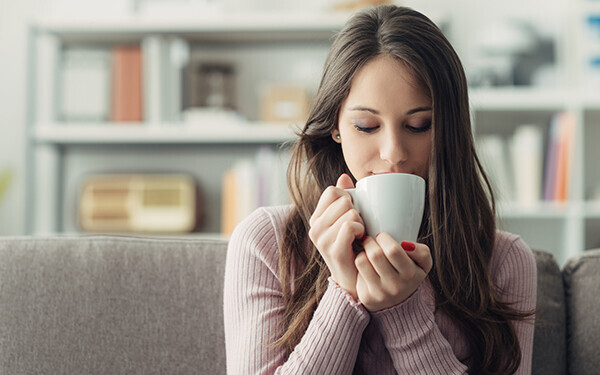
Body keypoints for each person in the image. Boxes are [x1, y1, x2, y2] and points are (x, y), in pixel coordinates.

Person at [223, 5, 537, 375]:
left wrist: (403, 310)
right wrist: (344, 291)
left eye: (419, 125)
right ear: (335, 127)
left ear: (449, 130)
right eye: (366, 126)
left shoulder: (502, 260)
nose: (394, 154)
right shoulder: (266, 243)